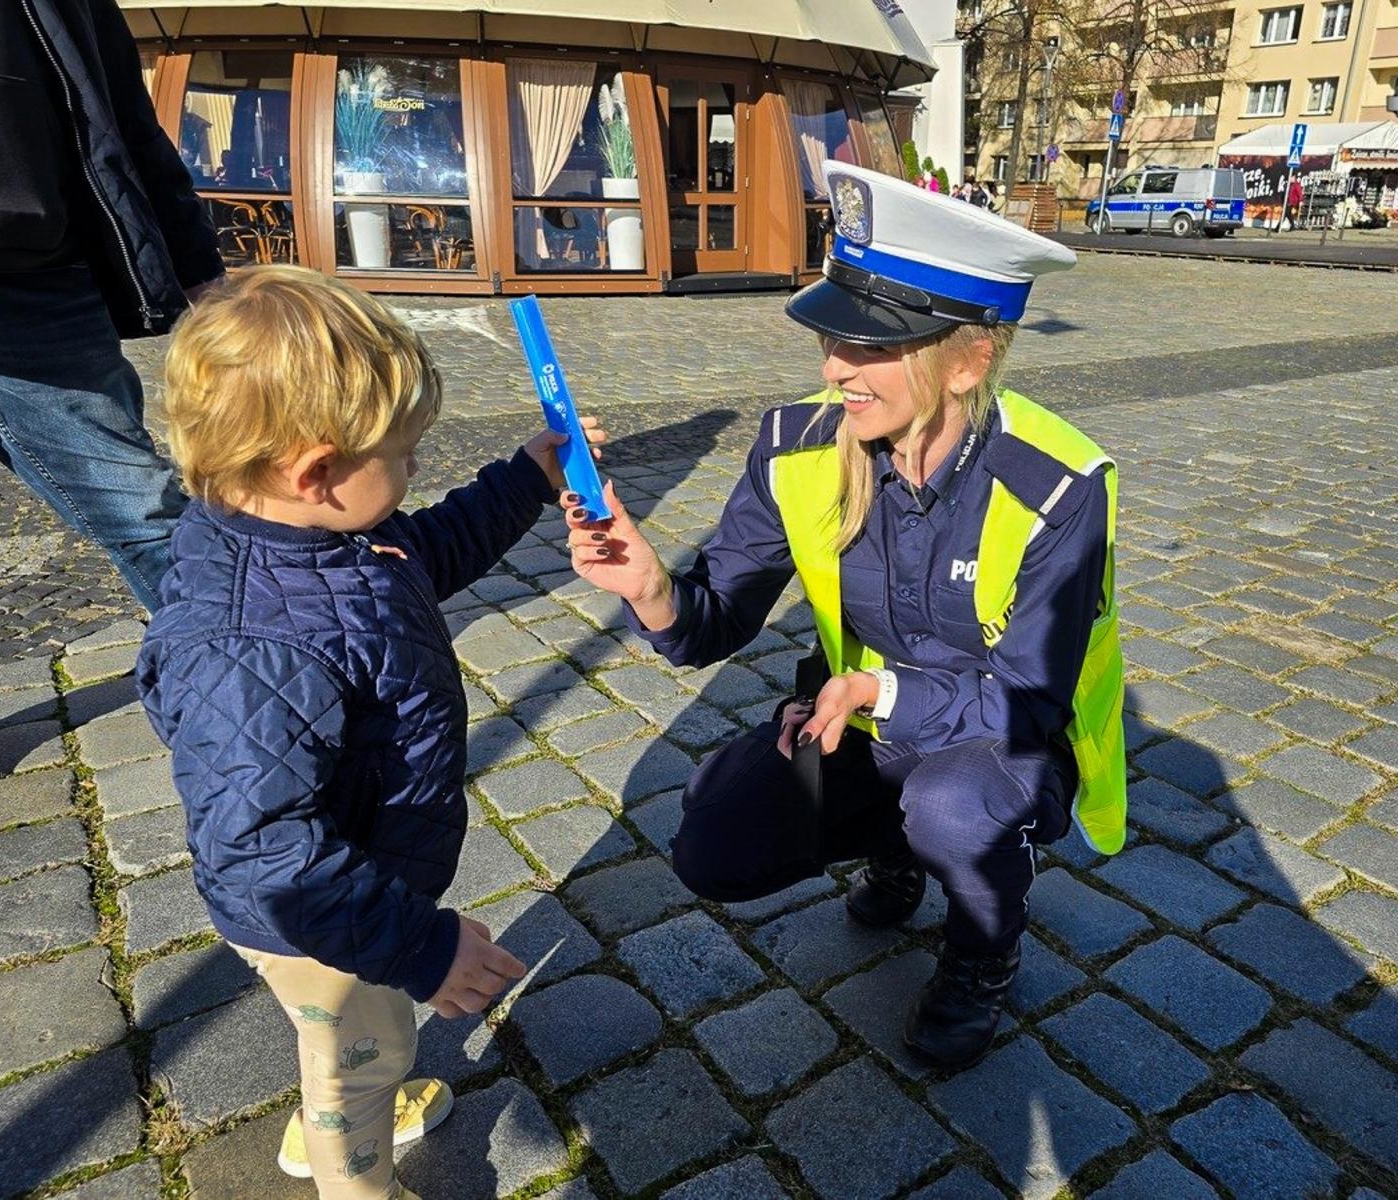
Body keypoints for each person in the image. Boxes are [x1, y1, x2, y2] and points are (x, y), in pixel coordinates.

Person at [564, 163, 1126, 1068]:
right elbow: (714, 617)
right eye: (833, 338)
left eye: (870, 346)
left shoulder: (1056, 484)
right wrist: (649, 587)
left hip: (999, 740)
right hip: (861, 725)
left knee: (952, 803)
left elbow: (1028, 697)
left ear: (969, 358)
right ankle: (892, 845)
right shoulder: (799, 445)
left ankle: (983, 952)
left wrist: (880, 689)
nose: (834, 368)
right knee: (717, 843)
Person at [136, 266, 608, 1199]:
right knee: (363, 1055)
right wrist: (424, 949)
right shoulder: (252, 642)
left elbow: (424, 555)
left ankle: (346, 1091)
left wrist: (523, 479)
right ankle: (351, 1175)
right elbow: (264, 852)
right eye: (403, 451)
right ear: (315, 470)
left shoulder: (320, 537)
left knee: (358, 1032)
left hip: (362, 876)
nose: (415, 468)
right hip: (317, 913)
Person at [0, 0, 222, 756]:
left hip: (34, 269)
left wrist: (199, 269)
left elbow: (120, 108)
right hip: (36, 266)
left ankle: (246, 683)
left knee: (144, 505)